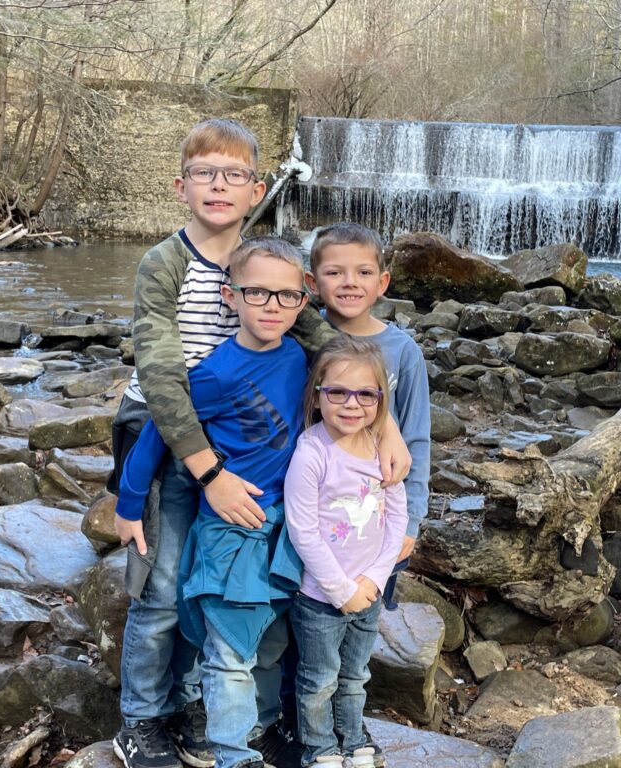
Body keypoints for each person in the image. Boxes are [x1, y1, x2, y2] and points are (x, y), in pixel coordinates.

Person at [109, 119, 408, 768]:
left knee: (234, 595)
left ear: (258, 189)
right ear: (180, 185)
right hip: (169, 442)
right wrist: (204, 475)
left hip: (243, 456)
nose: (219, 186)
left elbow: (328, 358)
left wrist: (384, 426)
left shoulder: (265, 265)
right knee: (163, 590)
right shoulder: (164, 264)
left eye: (235, 175)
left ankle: (208, 717)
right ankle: (141, 722)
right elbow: (165, 386)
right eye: (205, 174)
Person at [116, 238, 310, 768]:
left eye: (285, 295)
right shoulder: (215, 372)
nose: (272, 305)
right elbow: (159, 432)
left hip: (280, 522)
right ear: (230, 297)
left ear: (303, 300)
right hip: (228, 525)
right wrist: (129, 504)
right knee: (218, 632)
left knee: (270, 631)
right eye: (257, 293)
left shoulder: (298, 354)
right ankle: (222, 746)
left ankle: (258, 727)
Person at [283, 336, 408, 768]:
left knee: (355, 675)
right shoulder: (312, 452)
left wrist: (374, 579)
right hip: (320, 598)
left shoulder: (381, 449)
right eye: (337, 392)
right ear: (317, 397)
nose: (351, 404)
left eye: (365, 394)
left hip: (369, 593)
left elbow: (396, 519)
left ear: (380, 400)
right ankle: (320, 748)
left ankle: (353, 738)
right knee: (318, 679)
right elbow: (302, 529)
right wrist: (340, 589)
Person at [306, 223, 430, 610]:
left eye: (363, 272)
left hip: (377, 516)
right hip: (315, 509)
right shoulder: (299, 338)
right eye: (334, 272)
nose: (349, 283)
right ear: (312, 282)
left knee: (365, 613)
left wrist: (411, 518)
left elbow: (417, 436)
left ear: (383, 282)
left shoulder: (402, 351)